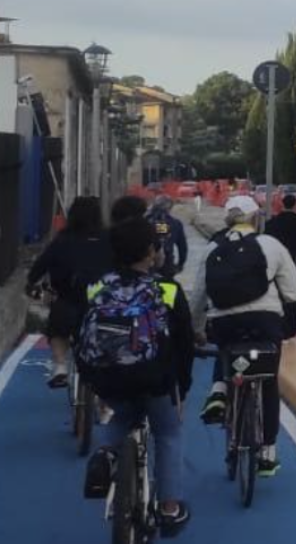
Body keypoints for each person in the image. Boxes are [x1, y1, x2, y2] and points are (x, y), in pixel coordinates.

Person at [80, 216, 196, 535]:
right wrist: (181, 390)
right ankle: (169, 508)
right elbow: (185, 344)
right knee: (168, 433)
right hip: (154, 379)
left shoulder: (99, 285)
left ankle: (105, 454)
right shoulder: (168, 288)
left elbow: (85, 333)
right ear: (150, 251)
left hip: (107, 377)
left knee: (121, 416)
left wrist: (91, 376)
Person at [196, 197, 296, 477]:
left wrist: (197, 328)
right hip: (264, 321)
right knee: (267, 381)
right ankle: (267, 452)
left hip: (224, 322)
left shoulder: (212, 248)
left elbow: (199, 295)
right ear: (255, 218)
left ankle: (219, 391)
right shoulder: (270, 245)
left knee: (226, 349)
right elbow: (294, 292)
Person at [27, 196, 113, 388]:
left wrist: (32, 284)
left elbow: (39, 267)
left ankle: (59, 366)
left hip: (69, 303)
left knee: (57, 329)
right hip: (104, 304)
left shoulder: (62, 241)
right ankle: (105, 402)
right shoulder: (109, 240)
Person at [263, 194, 296, 279]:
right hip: (295, 253)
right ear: (295, 204)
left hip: (278, 255)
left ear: (283, 204)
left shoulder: (272, 222)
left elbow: (266, 239)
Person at [146, 196, 189, 280]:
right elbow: (182, 247)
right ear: (169, 208)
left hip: (145, 263)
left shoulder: (144, 221)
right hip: (167, 264)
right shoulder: (175, 223)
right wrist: (180, 264)